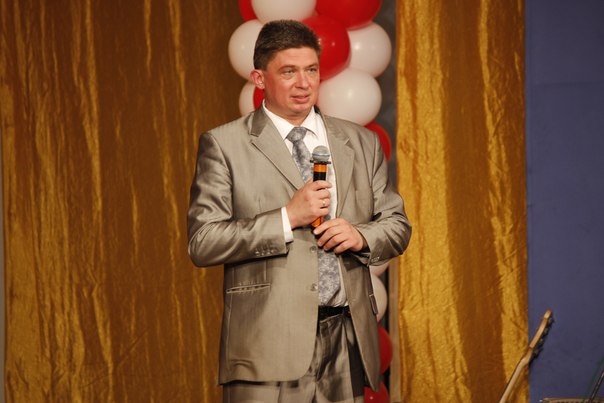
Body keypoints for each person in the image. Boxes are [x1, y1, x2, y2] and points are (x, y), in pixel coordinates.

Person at [187, 19, 411, 403]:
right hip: (266, 346)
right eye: (288, 72)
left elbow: (397, 225)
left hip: (346, 341)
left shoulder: (361, 142)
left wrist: (361, 235)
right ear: (259, 79)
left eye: (311, 70)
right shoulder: (224, 145)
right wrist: (287, 218)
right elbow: (203, 241)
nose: (304, 83)